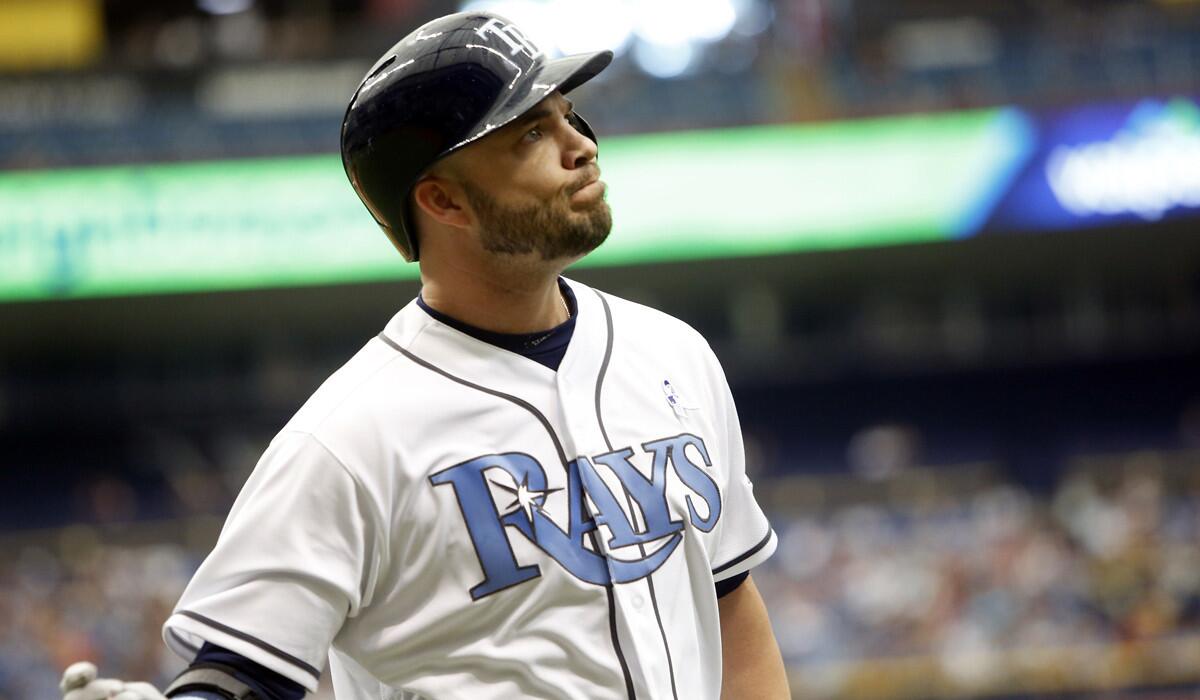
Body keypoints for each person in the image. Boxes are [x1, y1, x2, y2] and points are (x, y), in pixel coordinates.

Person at [60, 11, 788, 700]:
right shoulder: (347, 439)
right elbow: (234, 670)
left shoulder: (673, 354)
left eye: (569, 115)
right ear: (444, 203)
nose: (581, 145)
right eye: (531, 134)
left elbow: (729, 601)